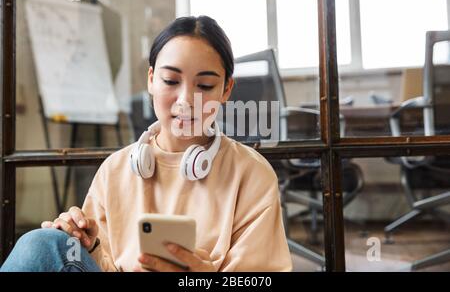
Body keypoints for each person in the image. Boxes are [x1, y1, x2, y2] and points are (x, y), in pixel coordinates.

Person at [1, 15, 292, 272]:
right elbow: (102, 265)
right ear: (151, 79)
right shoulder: (116, 169)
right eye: (170, 81)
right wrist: (88, 246)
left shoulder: (251, 174)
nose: (186, 100)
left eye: (204, 86)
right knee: (42, 243)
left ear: (226, 89)